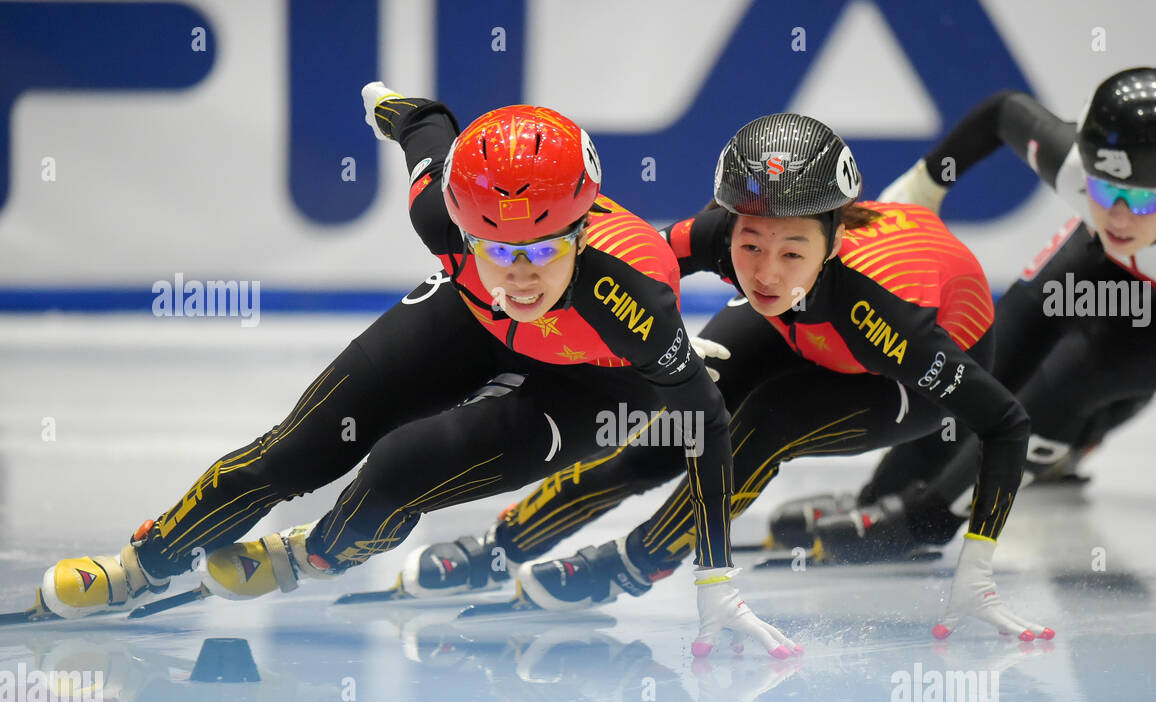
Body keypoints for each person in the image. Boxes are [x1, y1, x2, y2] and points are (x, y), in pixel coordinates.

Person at [34, 83, 794, 655]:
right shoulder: (443, 216)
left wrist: (716, 580)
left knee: (398, 470)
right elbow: (427, 126)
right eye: (497, 248)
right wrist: (394, 107)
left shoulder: (630, 300)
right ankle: (142, 562)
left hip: (593, 381)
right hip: (467, 319)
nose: (519, 276)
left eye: (540, 251)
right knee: (293, 452)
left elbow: (708, 423)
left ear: (581, 232)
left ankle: (318, 551)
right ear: (464, 230)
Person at [386, 113, 1052, 644]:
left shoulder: (882, 310)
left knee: (771, 419)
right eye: (749, 244)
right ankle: (506, 543)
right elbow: (603, 269)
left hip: (898, 373)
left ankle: (641, 558)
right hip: (808, 323)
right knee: (667, 422)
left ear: (830, 240)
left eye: (792, 249)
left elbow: (1006, 421)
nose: (763, 270)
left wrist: (979, 563)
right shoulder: (727, 238)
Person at [772, 9, 1156, 553]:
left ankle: (925, 520)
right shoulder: (1078, 169)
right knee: (993, 348)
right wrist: (927, 182)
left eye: (1139, 197)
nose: (1117, 215)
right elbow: (1005, 111)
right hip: (1128, 262)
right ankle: (879, 494)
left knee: (1078, 373)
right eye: (1102, 190)